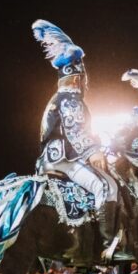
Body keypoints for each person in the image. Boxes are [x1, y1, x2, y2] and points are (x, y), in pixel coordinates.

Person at [32, 19, 121, 260]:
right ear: (75, 79)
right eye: (82, 78)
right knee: (106, 186)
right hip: (64, 160)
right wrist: (93, 151)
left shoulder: (56, 99)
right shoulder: (70, 98)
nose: (84, 83)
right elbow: (75, 130)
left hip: (51, 158)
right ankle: (108, 246)